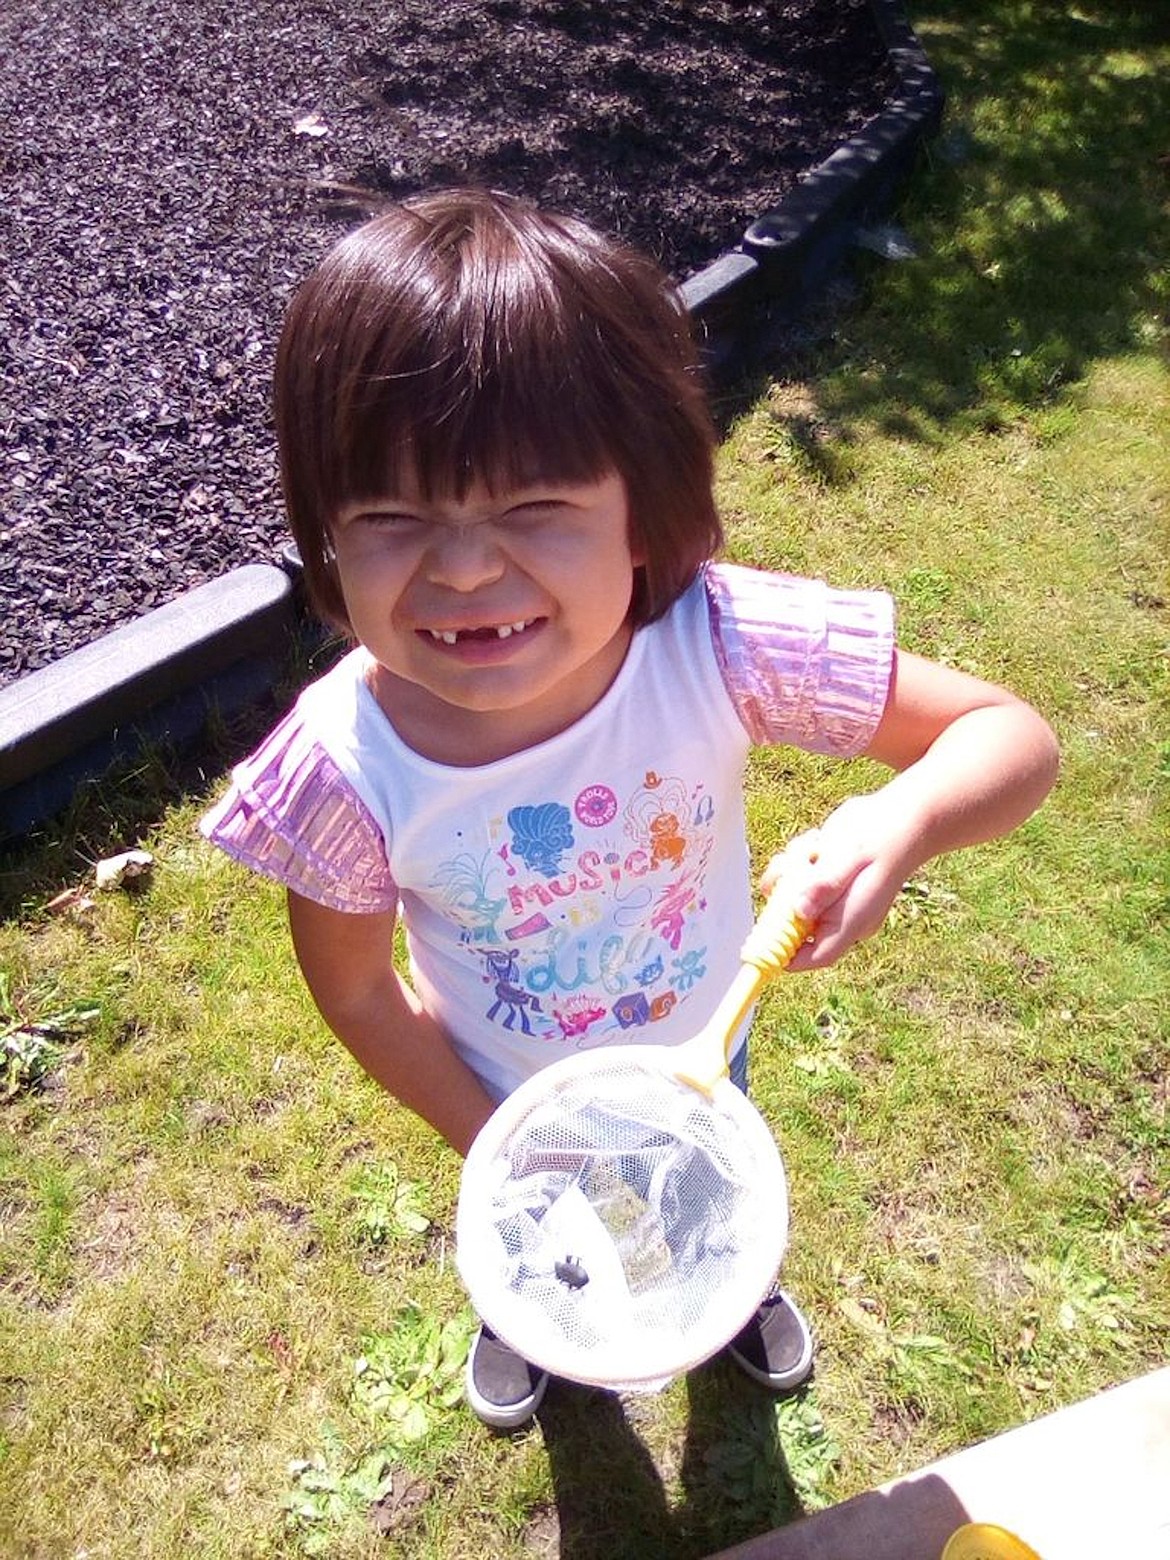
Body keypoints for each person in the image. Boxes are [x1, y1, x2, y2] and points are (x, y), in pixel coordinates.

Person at [200, 188, 1059, 1430]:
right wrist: (492, 1140)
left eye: (535, 507)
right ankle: (525, 1306)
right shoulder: (347, 768)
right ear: (325, 534)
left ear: (646, 510)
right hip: (500, 1085)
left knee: (705, 1198)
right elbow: (352, 987)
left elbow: (1011, 739)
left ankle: (733, 1285)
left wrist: (908, 817)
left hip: (706, 1045)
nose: (461, 567)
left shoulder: (719, 646)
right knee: (544, 1233)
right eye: (389, 519)